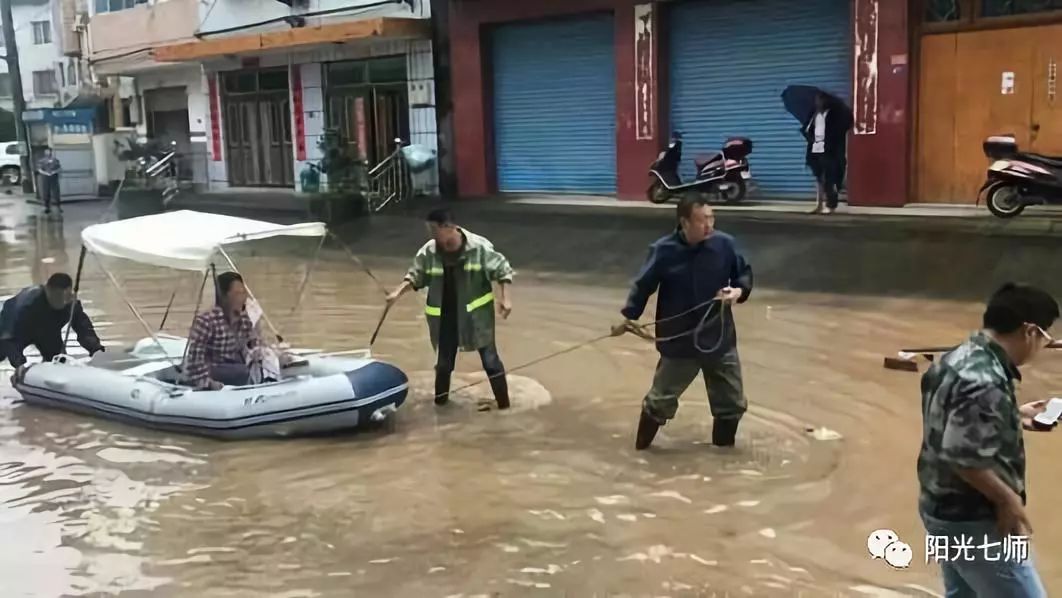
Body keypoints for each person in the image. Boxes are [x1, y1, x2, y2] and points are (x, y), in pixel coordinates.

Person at [918, 283, 1058, 597]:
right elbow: (962, 457)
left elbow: (948, 423)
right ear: (1029, 331)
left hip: (939, 506)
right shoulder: (985, 381)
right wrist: (1007, 501)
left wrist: (1011, 416)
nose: (1042, 347)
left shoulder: (959, 356)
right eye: (1045, 337)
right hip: (974, 518)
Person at [613, 197, 753, 450]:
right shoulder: (663, 250)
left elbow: (743, 274)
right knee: (659, 403)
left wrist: (738, 292)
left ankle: (724, 458)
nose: (709, 225)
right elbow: (643, 285)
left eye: (712, 218)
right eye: (702, 220)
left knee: (731, 404)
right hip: (679, 341)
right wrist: (629, 317)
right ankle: (641, 452)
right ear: (684, 222)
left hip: (718, 338)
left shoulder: (725, 245)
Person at [386, 208, 515, 410]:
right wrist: (397, 293)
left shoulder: (479, 248)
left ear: (449, 228)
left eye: (434, 230)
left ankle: (505, 407)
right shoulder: (429, 251)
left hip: (476, 318)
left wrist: (506, 299)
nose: (432, 235)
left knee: (490, 362)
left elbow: (503, 270)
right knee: (444, 366)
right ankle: (441, 407)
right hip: (444, 318)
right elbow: (415, 275)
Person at [183, 271, 270, 390]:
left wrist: (258, 349)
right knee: (241, 371)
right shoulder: (206, 321)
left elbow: (253, 343)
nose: (243, 298)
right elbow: (195, 361)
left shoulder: (244, 318)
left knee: (263, 361)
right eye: (237, 293)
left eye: (243, 293)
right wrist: (208, 383)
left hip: (235, 366)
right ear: (224, 296)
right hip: (214, 369)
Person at [0, 273, 104, 368]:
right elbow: (8, 337)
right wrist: (20, 365)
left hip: (48, 333)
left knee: (59, 363)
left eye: (66, 296)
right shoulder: (28, 304)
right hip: (17, 331)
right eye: (58, 296)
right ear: (47, 290)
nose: (62, 301)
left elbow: (84, 329)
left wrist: (95, 348)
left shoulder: (71, 305)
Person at [803, 91, 852, 215]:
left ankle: (831, 205)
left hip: (830, 150)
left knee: (830, 179)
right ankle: (818, 204)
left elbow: (841, 129)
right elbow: (808, 130)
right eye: (816, 100)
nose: (817, 103)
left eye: (820, 100)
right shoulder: (813, 114)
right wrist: (808, 133)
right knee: (819, 178)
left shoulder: (836, 114)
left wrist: (829, 140)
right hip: (815, 149)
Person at [36, 147, 62, 215]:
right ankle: (46, 207)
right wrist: (46, 173)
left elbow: (59, 168)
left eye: (49, 151)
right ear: (45, 152)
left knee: (56, 192)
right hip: (45, 178)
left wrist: (53, 172)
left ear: (51, 152)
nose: (48, 153)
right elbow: (39, 169)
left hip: (54, 177)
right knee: (46, 192)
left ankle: (58, 207)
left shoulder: (55, 160)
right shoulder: (41, 161)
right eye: (47, 151)